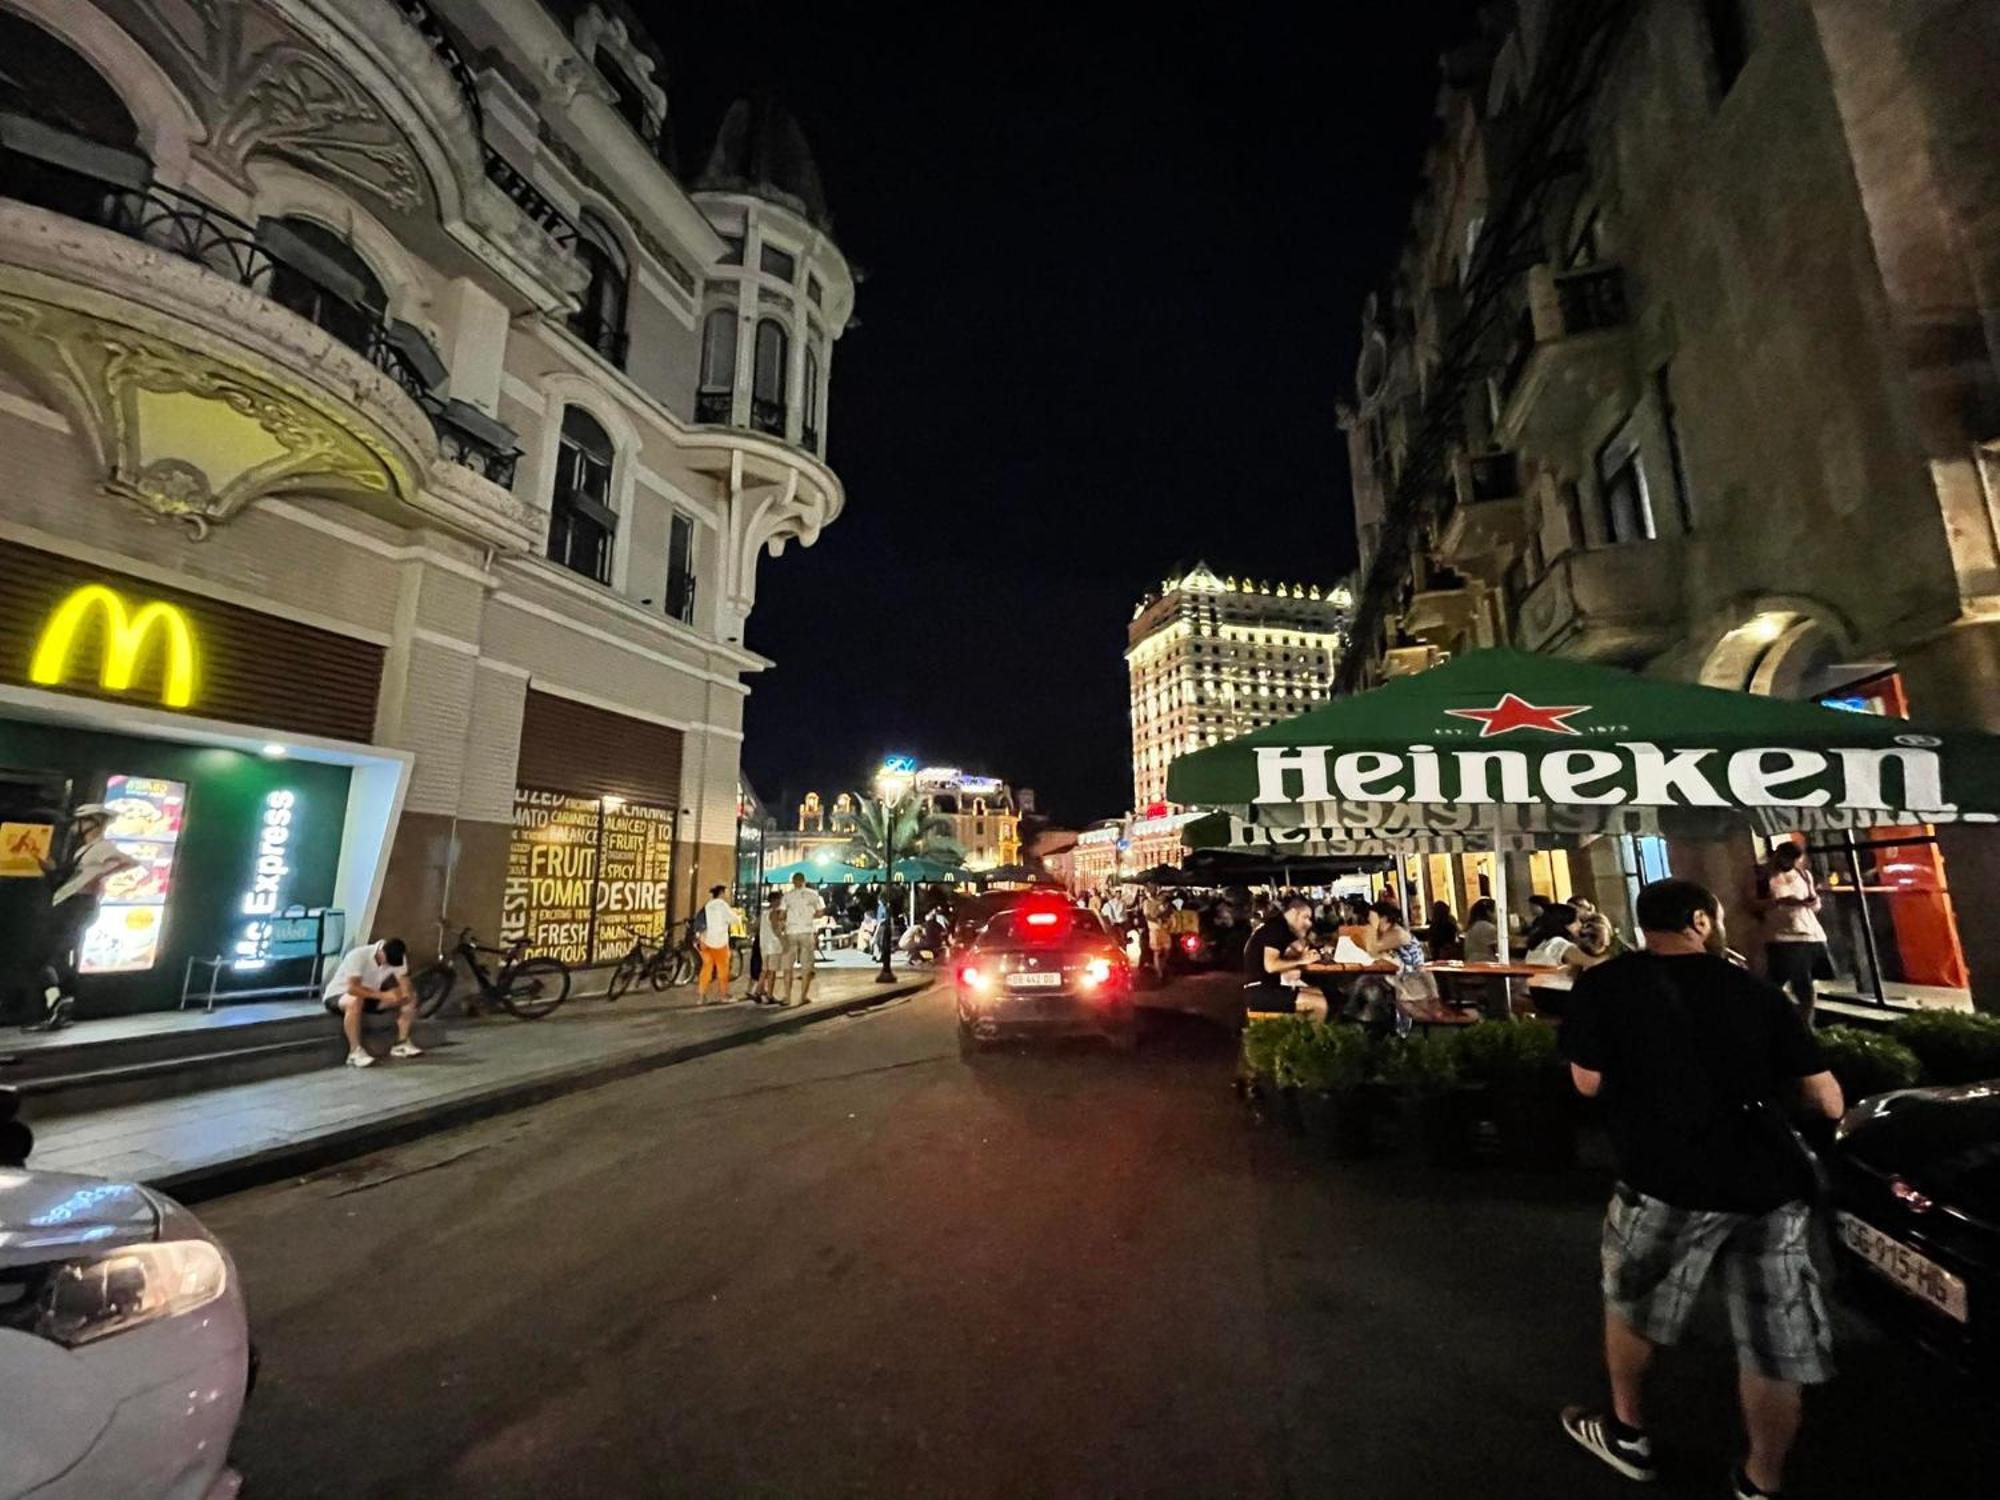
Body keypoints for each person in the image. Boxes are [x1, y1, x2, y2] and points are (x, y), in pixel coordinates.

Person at [1558, 879, 1844, 1500]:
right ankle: (1761, 1478)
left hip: (1664, 1176)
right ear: (1700, 922)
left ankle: (1629, 1433)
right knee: (1772, 1339)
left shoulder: (1605, 986)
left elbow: (1585, 1083)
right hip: (1768, 1185)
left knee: (1634, 1304)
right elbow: (1827, 1097)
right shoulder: (1754, 991)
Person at [31, 802, 137, 1031]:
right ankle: (60, 1005)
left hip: (78, 906)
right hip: (72, 904)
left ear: (91, 823)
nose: (74, 827)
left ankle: (59, 1004)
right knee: (56, 957)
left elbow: (130, 862)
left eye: (79, 822)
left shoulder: (102, 847)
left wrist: (101, 876)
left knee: (51, 957)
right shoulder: (84, 849)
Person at [1749, 843, 1829, 1021]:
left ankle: (1804, 1025)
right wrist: (1781, 901)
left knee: (1804, 983)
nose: (1790, 864)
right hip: (1781, 935)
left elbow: (1815, 906)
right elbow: (1753, 905)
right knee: (1780, 981)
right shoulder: (1763, 877)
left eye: (1794, 860)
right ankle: (1778, 1022)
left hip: (1809, 932)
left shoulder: (1803, 874)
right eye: (1787, 859)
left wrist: (1812, 900)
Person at [323, 937, 422, 1069]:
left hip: (370, 996)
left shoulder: (398, 959)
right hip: (340, 995)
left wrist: (403, 994)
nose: (390, 966)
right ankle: (354, 1052)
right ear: (381, 952)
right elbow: (353, 988)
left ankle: (401, 1043)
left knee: (411, 998)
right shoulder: (358, 955)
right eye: (388, 962)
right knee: (355, 1000)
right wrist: (384, 995)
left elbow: (404, 982)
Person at [1242, 895, 1328, 1021]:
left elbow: (1300, 948)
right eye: (1305, 917)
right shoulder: (1276, 929)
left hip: (1265, 988)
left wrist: (1303, 939)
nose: (1308, 923)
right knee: (1320, 1004)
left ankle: (1302, 1034)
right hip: (1258, 991)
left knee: (1318, 992)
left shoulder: (1282, 927)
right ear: (1293, 913)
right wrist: (1302, 960)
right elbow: (1271, 966)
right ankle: (1313, 1039)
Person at [776, 873, 824, 1004]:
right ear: (804, 881)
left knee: (788, 966)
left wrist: (788, 920)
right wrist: (808, 917)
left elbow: (781, 915)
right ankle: (802, 997)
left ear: (793, 882)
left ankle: (787, 997)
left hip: (791, 932)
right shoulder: (813, 894)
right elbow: (820, 913)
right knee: (806, 966)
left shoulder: (787, 896)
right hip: (806, 931)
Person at [696, 885, 734, 1003]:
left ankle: (701, 996)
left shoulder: (707, 905)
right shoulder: (723, 905)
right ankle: (723, 995)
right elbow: (733, 919)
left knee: (706, 969)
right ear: (721, 893)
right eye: (726, 892)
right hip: (719, 942)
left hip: (705, 942)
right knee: (723, 970)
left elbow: (699, 923)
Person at [750, 892, 784, 1004]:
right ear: (776, 900)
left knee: (764, 970)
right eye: (780, 899)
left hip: (764, 945)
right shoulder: (774, 913)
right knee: (772, 971)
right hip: (773, 945)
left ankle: (757, 992)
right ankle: (769, 994)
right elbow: (775, 929)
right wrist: (783, 939)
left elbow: (755, 926)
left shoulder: (764, 913)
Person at [1525, 902, 1581, 967]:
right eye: (1576, 921)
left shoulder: (1539, 943)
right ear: (1564, 923)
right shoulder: (1558, 944)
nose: (1580, 925)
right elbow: (1591, 962)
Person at [1143, 891, 1172, 979]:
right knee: (1157, 951)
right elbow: (1148, 916)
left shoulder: (1165, 905)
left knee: (1167, 950)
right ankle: (1159, 973)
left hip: (1164, 930)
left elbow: (1169, 915)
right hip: (1154, 929)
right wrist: (1157, 919)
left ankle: (1160, 967)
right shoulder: (1147, 902)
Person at [1463, 898, 1501, 963]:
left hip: (1471, 963)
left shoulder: (1472, 926)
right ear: (1489, 912)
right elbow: (1500, 949)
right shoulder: (1488, 927)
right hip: (1487, 964)